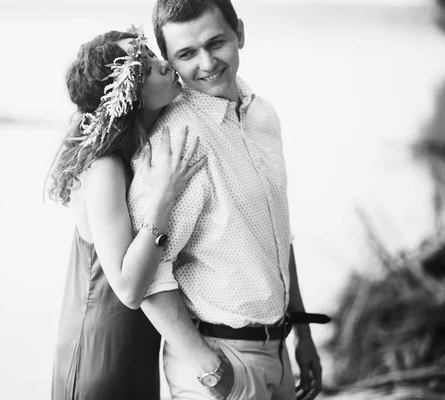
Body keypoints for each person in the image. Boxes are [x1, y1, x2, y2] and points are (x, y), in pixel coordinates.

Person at [128, 1, 325, 399]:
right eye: (186, 54)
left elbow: (279, 237)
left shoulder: (262, 115)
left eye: (215, 42)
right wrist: (213, 371)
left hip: (278, 349)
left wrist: (302, 333)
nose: (206, 62)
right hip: (219, 362)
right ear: (170, 62)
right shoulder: (175, 144)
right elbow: (149, 275)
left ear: (239, 33)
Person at [48, 28, 206, 400]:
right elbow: (128, 288)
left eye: (151, 54)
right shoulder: (105, 167)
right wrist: (164, 198)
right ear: (127, 97)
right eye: (146, 66)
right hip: (101, 358)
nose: (164, 64)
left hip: (132, 352)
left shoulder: (134, 155)